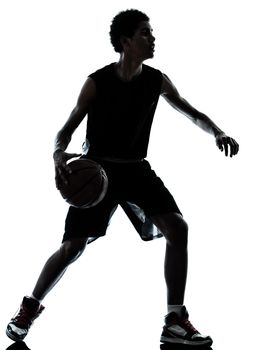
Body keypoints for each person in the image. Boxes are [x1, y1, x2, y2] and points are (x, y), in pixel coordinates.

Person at [6, 9, 239, 346]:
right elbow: (65, 131)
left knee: (178, 227)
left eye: (151, 32)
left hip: (135, 169)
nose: (153, 38)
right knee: (72, 247)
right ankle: (29, 307)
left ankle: (175, 320)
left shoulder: (156, 80)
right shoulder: (97, 82)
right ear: (126, 41)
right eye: (146, 32)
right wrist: (58, 154)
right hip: (98, 170)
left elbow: (192, 113)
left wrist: (216, 132)